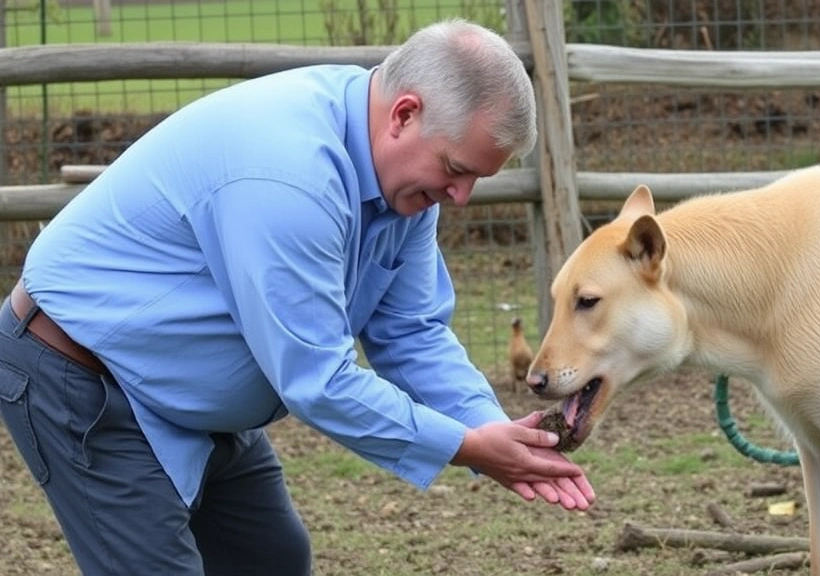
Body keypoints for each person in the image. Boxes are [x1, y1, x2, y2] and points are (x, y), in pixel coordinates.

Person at [0, 19, 594, 576]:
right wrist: (469, 448)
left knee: (271, 559)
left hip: (186, 392)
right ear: (405, 114)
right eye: (455, 169)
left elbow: (411, 331)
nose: (461, 197)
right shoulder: (289, 176)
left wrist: (496, 431)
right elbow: (318, 379)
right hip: (84, 377)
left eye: (475, 180)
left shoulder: (407, 184)